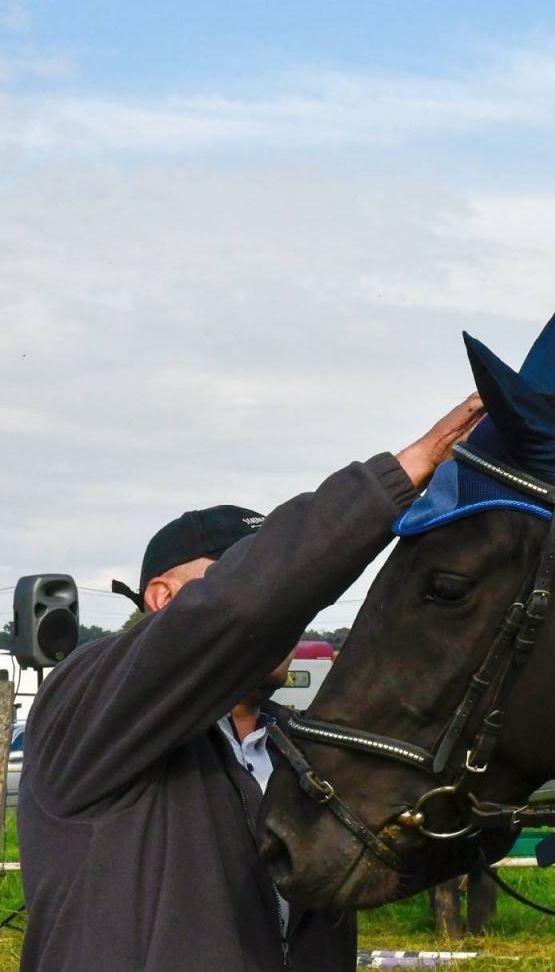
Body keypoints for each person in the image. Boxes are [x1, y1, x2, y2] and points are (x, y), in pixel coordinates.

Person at [18, 394, 485, 972]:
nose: (283, 609)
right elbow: (241, 609)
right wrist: (406, 471)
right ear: (162, 599)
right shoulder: (87, 705)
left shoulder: (304, 752)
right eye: (238, 570)